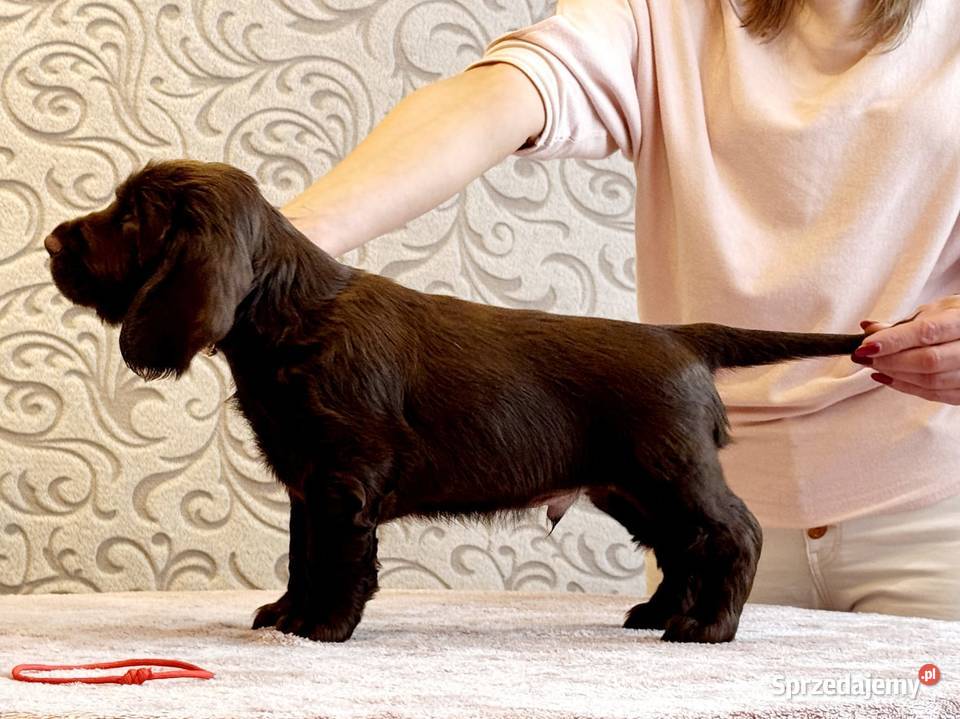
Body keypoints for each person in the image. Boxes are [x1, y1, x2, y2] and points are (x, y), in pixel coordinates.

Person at [281, 0, 960, 621]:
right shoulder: (661, 11)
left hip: (936, 516)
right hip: (698, 500)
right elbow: (509, 88)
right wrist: (290, 241)